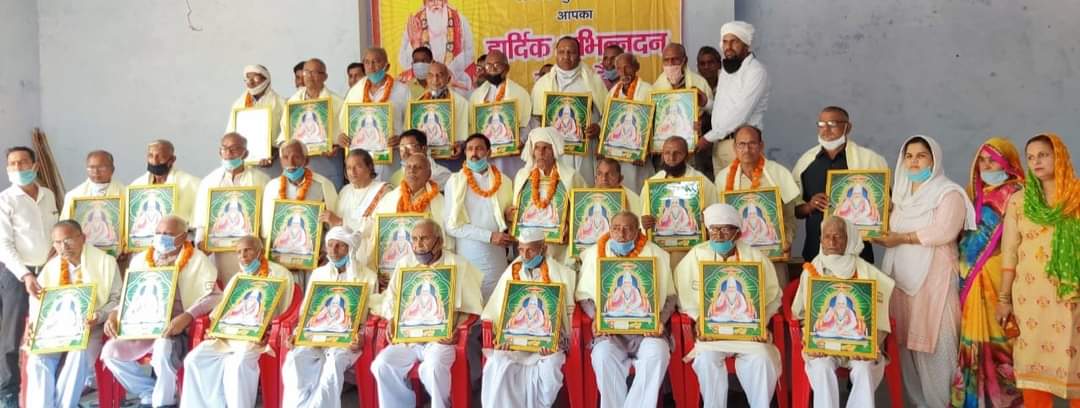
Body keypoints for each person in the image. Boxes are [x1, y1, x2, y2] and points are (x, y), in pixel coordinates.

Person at [872, 135, 975, 407]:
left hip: (934, 281)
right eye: (909, 156)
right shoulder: (901, 197)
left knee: (938, 346)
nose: (914, 162)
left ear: (934, 159)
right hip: (901, 281)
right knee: (906, 349)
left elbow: (944, 231)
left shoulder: (949, 193)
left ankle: (942, 403)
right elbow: (886, 227)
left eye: (921, 156)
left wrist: (901, 238)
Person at [101, 216, 220, 408]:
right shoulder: (141, 260)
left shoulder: (198, 260)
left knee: (163, 348)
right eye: (158, 233)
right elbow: (128, 297)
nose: (161, 237)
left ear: (183, 237)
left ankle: (164, 402)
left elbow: (215, 296)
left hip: (174, 329)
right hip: (142, 327)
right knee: (110, 352)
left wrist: (188, 316)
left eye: (168, 234)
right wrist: (115, 313)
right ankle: (148, 390)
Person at [999, 133, 1080, 406]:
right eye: (1031, 157)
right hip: (1030, 301)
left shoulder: (1077, 197)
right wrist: (1003, 299)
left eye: (1043, 155)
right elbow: (1010, 253)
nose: (1036, 162)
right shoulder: (1019, 201)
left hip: (1071, 299)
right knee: (1032, 365)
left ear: (1059, 156)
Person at [674, 203, 780, 407]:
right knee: (706, 360)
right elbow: (685, 295)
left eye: (725, 229)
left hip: (748, 336)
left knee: (762, 359)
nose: (719, 235)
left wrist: (761, 324)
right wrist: (699, 319)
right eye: (714, 230)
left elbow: (772, 296)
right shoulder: (696, 255)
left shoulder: (755, 257)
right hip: (712, 335)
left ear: (737, 233)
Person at [371, 220, 483, 408]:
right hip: (409, 340)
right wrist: (391, 319)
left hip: (441, 340)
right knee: (381, 364)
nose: (418, 244)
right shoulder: (404, 264)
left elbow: (473, 309)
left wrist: (457, 329)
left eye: (424, 238)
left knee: (432, 368)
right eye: (414, 239)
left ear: (439, 242)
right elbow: (391, 298)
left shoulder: (459, 265)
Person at [947, 138, 1025, 407]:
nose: (986, 165)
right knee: (972, 342)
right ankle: (974, 401)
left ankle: (1005, 401)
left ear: (1008, 163)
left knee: (1001, 344)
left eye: (993, 160)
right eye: (982, 160)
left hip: (1001, 281)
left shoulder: (1019, 194)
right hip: (970, 282)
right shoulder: (974, 195)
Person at [790, 216, 895, 408]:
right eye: (827, 236)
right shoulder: (812, 270)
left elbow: (878, 318)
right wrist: (812, 340)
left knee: (863, 368)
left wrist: (869, 346)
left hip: (859, 347)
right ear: (820, 240)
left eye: (838, 236)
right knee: (821, 366)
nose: (831, 242)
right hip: (824, 347)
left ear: (849, 239)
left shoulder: (866, 271)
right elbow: (801, 315)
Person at [180, 235, 294, 408]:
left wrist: (270, 332)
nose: (243, 256)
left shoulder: (280, 274)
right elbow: (221, 311)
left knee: (237, 365)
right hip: (227, 337)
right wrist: (214, 329)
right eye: (239, 252)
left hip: (255, 338)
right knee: (194, 359)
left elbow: (285, 311)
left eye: (247, 250)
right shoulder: (237, 278)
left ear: (260, 251)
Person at [576, 211, 675, 408]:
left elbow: (670, 297)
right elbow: (585, 296)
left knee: (658, 353)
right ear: (609, 230)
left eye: (627, 229)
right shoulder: (594, 254)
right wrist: (596, 318)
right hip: (611, 333)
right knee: (602, 356)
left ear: (638, 232)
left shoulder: (656, 253)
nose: (621, 234)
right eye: (616, 228)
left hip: (647, 333)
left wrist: (659, 321)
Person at [281, 226, 379, 408]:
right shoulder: (318, 274)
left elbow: (372, 316)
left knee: (332, 367)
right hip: (315, 338)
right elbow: (306, 312)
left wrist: (361, 336)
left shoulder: (368, 277)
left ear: (350, 248)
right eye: (330, 245)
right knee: (295, 360)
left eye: (339, 246)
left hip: (346, 342)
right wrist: (296, 334)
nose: (333, 251)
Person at [25, 220, 118, 408]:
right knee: (38, 358)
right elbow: (37, 302)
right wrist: (34, 325)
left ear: (82, 238)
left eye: (68, 240)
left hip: (90, 328)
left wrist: (99, 315)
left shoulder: (105, 262)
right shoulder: (51, 267)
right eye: (58, 242)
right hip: (55, 330)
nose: (63, 247)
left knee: (79, 354)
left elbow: (117, 299)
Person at [480, 228, 576, 407]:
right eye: (521, 250)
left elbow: (561, 321)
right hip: (514, 345)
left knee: (551, 364)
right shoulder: (512, 272)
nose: (525, 255)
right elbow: (497, 314)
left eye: (530, 250)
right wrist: (502, 337)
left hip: (547, 347)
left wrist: (553, 341)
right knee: (497, 363)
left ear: (543, 248)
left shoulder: (563, 274)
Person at [0, 146, 58, 405]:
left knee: (50, 331)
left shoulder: (48, 195)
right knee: (12, 337)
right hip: (16, 275)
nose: (18, 168)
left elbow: (54, 232)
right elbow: (4, 245)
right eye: (12, 164)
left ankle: (49, 391)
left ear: (35, 166)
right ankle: (8, 393)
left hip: (48, 273)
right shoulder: (5, 200)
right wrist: (25, 275)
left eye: (23, 162)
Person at [792, 106, 888, 263]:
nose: (826, 130)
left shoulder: (870, 160)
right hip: (815, 251)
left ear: (847, 127)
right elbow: (794, 210)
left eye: (832, 124)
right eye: (821, 125)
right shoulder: (805, 162)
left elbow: (886, 205)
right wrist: (809, 206)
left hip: (858, 253)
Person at [714, 125, 800, 283]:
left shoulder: (779, 173)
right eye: (741, 144)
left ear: (761, 146)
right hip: (738, 256)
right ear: (734, 147)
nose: (747, 149)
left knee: (776, 295)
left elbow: (789, 216)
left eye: (752, 143)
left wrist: (786, 240)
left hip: (773, 255)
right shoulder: (722, 178)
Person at [192, 133, 270, 283]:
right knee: (223, 288)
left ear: (245, 153)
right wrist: (201, 242)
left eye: (234, 149)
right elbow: (202, 219)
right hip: (219, 250)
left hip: (252, 250)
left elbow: (267, 219)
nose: (228, 153)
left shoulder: (261, 180)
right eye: (224, 149)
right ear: (219, 152)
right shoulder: (208, 182)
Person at [445, 134, 515, 300]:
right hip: (469, 252)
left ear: (488, 152)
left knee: (497, 302)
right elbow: (452, 226)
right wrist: (489, 236)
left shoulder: (504, 181)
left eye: (479, 148)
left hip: (497, 253)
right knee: (472, 303)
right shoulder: (454, 182)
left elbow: (507, 218)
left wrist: (508, 217)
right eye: (470, 149)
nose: (474, 153)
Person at [531, 36, 608, 185]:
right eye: (562, 52)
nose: (566, 56)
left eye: (571, 52)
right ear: (556, 54)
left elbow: (608, 114)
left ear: (579, 55)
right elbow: (534, 119)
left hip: (585, 150)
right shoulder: (543, 84)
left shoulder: (594, 81)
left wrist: (599, 127)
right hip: (555, 151)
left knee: (584, 186)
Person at [507, 127, 587, 261]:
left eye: (546, 148)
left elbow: (583, 210)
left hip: (560, 248)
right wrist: (510, 216)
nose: (541, 153)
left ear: (554, 150)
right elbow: (516, 209)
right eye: (537, 148)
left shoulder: (571, 176)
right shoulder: (522, 176)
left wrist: (570, 226)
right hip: (530, 248)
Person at [701, 22, 770, 177]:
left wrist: (707, 138)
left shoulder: (755, 71)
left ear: (746, 44)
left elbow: (740, 114)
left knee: (743, 190)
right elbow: (724, 110)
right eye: (725, 42)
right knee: (722, 189)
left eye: (734, 41)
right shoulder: (727, 70)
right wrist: (706, 104)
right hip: (720, 145)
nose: (728, 47)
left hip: (743, 146)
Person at [641, 137, 719, 269]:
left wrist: (706, 219)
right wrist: (644, 223)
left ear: (687, 156)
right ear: (662, 155)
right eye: (667, 153)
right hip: (660, 247)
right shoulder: (652, 184)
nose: (671, 158)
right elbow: (642, 218)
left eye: (677, 153)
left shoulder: (703, 183)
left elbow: (716, 218)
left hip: (691, 248)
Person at [340, 47, 412, 181]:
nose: (371, 67)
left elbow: (411, 125)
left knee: (389, 191)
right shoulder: (355, 91)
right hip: (360, 164)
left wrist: (401, 139)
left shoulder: (402, 91)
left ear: (387, 66)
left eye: (376, 62)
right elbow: (343, 122)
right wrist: (342, 137)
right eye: (367, 62)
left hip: (391, 160)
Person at [260, 140, 339, 260]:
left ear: (306, 160)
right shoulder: (271, 187)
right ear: (280, 161)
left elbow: (334, 225)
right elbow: (266, 230)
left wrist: (325, 250)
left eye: (296, 157)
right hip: (280, 256)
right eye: (285, 157)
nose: (290, 162)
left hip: (315, 257)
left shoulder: (324, 185)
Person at [275, 58, 346, 188]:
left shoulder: (338, 102)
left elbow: (345, 134)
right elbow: (284, 134)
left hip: (327, 162)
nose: (309, 76)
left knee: (329, 196)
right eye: (306, 72)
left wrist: (337, 146)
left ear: (325, 77)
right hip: (298, 164)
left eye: (314, 73)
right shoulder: (292, 102)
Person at [653, 43, 714, 177]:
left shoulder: (700, 83)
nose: (670, 64)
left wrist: (701, 124)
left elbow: (713, 116)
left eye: (675, 59)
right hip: (666, 152)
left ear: (684, 60)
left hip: (694, 150)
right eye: (666, 60)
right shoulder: (656, 87)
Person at [469, 49, 533, 179]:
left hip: (511, 157)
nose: (492, 69)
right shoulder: (476, 96)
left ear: (507, 68)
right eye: (488, 65)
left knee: (510, 183)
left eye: (497, 65)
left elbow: (528, 123)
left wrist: (521, 140)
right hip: (486, 155)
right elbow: (472, 127)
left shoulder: (520, 93)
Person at [323, 149, 391, 263]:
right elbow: (334, 224)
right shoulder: (345, 190)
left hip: (369, 256)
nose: (352, 172)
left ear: (369, 167)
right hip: (342, 256)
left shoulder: (383, 190)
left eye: (357, 167)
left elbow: (377, 225)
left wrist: (341, 222)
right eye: (349, 168)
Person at [398, 0, 476, 93]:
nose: (435, 3)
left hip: (454, 80)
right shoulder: (415, 22)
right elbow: (403, 61)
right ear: (425, 2)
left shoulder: (459, 19)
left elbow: (470, 51)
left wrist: (450, 70)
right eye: (431, 0)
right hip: (423, 84)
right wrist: (415, 44)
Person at [603, 53, 654, 190]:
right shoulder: (613, 92)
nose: (624, 73)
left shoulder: (648, 90)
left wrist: (645, 150)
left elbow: (655, 124)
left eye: (628, 67)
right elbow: (606, 122)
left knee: (637, 192)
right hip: (616, 157)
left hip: (638, 158)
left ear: (637, 67)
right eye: (620, 69)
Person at [413, 62, 471, 166]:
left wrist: (461, 145)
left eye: (440, 75)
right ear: (427, 79)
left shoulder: (461, 103)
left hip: (452, 158)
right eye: (431, 75)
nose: (435, 80)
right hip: (426, 159)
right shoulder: (417, 104)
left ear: (448, 79)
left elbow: (470, 132)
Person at [131, 139, 202, 223]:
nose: (155, 161)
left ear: (172, 160)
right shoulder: (136, 186)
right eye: (150, 156)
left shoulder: (191, 184)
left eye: (160, 157)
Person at [60, 150, 126, 219]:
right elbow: (65, 223)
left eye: (101, 168)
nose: (96, 172)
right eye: (91, 168)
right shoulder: (73, 196)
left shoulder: (125, 194)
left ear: (112, 169)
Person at [225, 64, 285, 141]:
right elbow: (230, 131)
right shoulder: (239, 104)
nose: (250, 82)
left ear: (266, 79)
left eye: (256, 78)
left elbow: (285, 134)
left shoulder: (281, 103)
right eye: (248, 78)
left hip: (272, 148)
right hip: (243, 147)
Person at [389, 129, 453, 189]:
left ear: (424, 149)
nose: (405, 152)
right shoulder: (395, 178)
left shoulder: (443, 174)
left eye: (410, 147)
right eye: (402, 148)